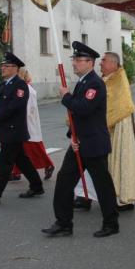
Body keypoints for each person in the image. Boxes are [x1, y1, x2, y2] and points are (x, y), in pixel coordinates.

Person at [42, 41, 119, 238]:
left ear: (90, 62)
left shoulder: (94, 83)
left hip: (94, 144)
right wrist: (72, 137)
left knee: (103, 186)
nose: (74, 63)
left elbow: (83, 108)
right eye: (74, 59)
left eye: (78, 60)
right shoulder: (83, 82)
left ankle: (111, 223)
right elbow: (77, 117)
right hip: (79, 143)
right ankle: (63, 223)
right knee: (64, 182)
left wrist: (66, 96)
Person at [0, 52, 44, 206]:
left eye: (6, 66)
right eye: (2, 66)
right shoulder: (2, 85)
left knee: (5, 162)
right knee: (21, 159)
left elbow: (15, 106)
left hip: (14, 130)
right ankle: (37, 185)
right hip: (6, 130)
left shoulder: (20, 85)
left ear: (15, 68)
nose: (2, 68)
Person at [102, 51, 135, 209]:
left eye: (103, 60)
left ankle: (124, 197)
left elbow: (116, 103)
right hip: (110, 125)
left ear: (113, 63)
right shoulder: (108, 78)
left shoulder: (119, 79)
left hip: (119, 124)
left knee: (120, 158)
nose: (100, 63)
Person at [9, 69, 54, 182]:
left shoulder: (27, 89)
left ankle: (48, 164)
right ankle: (15, 172)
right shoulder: (24, 88)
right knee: (19, 150)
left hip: (27, 124)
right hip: (25, 124)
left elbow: (28, 108)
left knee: (32, 149)